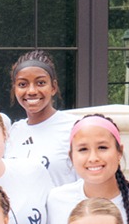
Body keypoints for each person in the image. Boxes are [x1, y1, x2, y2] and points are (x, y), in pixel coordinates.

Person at [5, 51, 76, 186]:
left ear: (53, 87)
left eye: (40, 83)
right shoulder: (14, 132)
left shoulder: (73, 128)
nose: (31, 91)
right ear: (15, 89)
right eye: (22, 84)